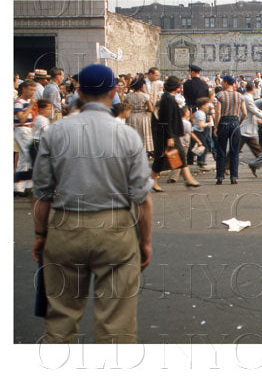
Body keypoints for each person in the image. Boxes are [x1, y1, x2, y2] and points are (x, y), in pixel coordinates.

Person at [32, 63, 154, 344]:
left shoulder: (56, 132)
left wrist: (40, 235)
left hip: (64, 227)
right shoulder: (126, 135)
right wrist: (144, 241)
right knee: (116, 324)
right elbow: (142, 198)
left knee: (60, 319)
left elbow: (42, 194)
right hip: (115, 230)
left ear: (79, 92)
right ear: (113, 91)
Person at [150, 76, 200, 191]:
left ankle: (187, 179)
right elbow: (166, 119)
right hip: (169, 134)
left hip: (169, 133)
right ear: (176, 87)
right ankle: (188, 179)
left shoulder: (167, 97)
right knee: (178, 154)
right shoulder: (168, 99)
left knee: (163, 158)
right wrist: (170, 137)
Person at [232, 82, 262, 176]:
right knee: (236, 149)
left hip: (248, 128)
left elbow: (254, 111)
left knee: (256, 149)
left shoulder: (247, 97)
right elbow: (254, 110)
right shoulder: (247, 98)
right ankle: (226, 166)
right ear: (253, 89)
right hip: (245, 128)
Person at [214, 75, 247, 185]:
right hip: (235, 123)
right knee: (234, 151)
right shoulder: (239, 96)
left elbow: (218, 112)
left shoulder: (220, 95)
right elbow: (245, 113)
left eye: (223, 82)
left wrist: (215, 127)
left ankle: (220, 175)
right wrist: (239, 122)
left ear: (226, 83)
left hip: (223, 122)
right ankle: (234, 176)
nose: (222, 84)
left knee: (221, 150)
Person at [14, 79, 37, 196]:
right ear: (24, 89)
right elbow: (22, 118)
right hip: (22, 129)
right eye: (31, 89)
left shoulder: (26, 102)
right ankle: (21, 186)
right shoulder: (19, 102)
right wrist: (31, 106)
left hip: (27, 129)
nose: (33, 92)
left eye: (34, 90)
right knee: (27, 157)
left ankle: (21, 186)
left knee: (24, 158)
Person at [125, 77, 154, 154]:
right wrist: (144, 110)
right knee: (142, 135)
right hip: (142, 116)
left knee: (132, 135)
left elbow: (125, 107)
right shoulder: (145, 96)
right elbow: (151, 109)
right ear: (141, 86)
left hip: (131, 116)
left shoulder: (128, 96)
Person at [190, 97, 213, 170]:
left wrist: (194, 123)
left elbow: (192, 117)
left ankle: (194, 160)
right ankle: (200, 161)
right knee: (203, 147)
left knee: (197, 146)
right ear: (203, 105)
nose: (208, 106)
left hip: (196, 131)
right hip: (199, 132)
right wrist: (208, 124)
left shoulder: (198, 112)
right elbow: (200, 126)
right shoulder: (201, 114)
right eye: (207, 104)